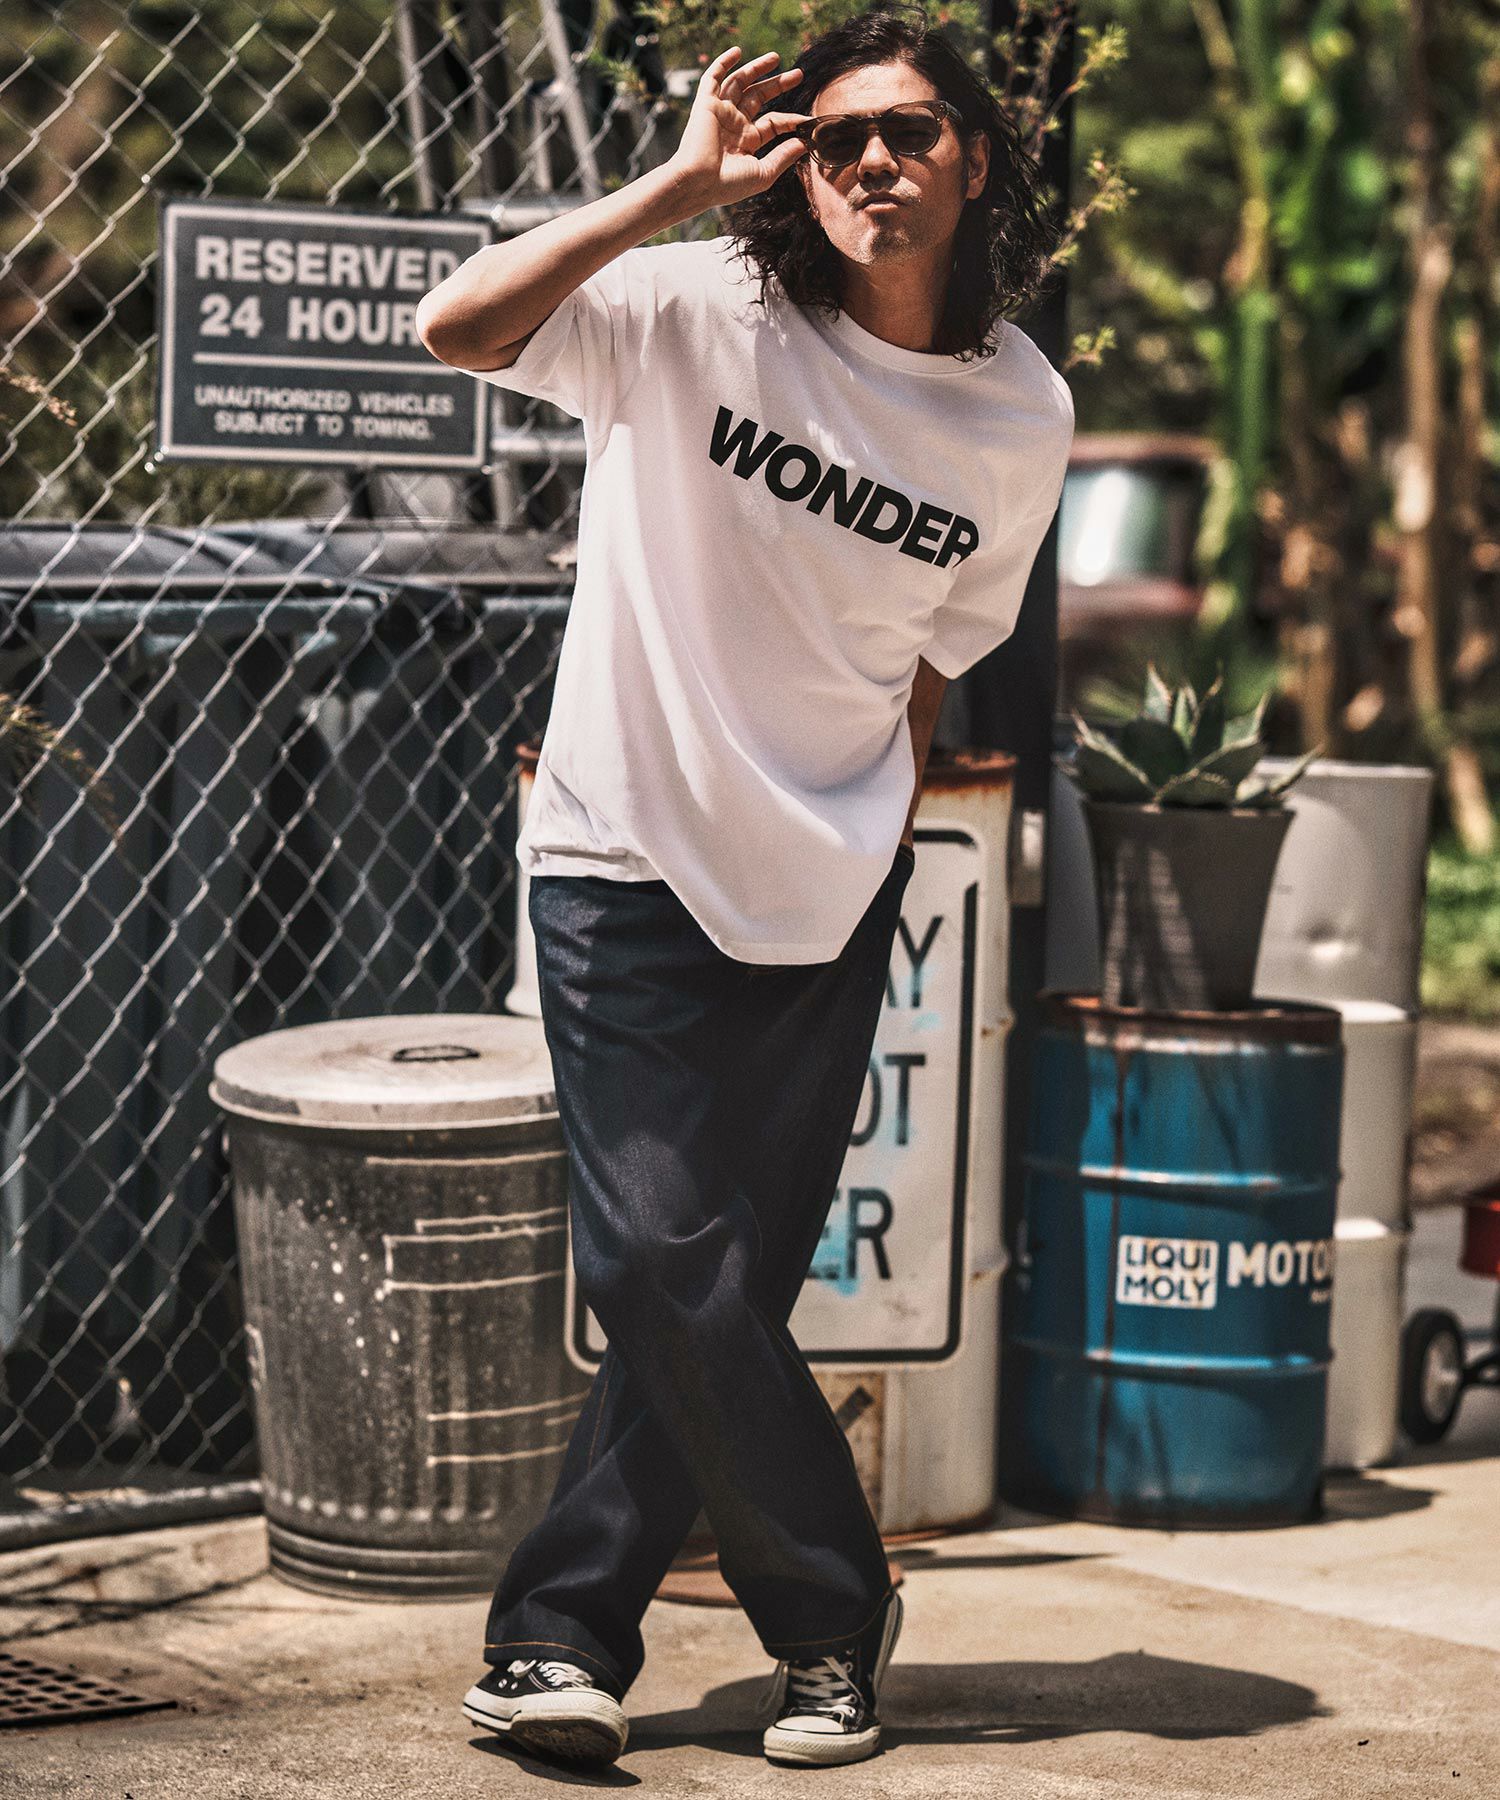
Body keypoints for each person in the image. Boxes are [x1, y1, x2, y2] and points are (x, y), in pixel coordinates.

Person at [415, 0, 1073, 1771]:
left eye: (911, 130)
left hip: (828, 890)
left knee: (710, 1296)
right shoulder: (697, 306)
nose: (874, 161)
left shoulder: (1021, 408)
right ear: (801, 164)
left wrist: (866, 837)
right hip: (623, 848)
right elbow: (457, 327)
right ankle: (833, 1614)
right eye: (839, 136)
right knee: (658, 1255)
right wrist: (671, 187)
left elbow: (933, 660)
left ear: (973, 161)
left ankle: (557, 1642)